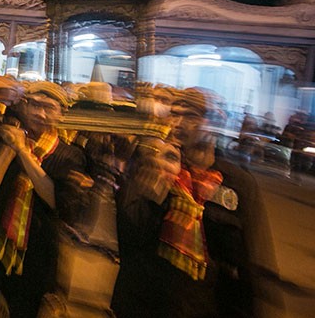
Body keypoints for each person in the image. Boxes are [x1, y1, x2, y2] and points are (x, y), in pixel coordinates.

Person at [111, 87, 281, 317]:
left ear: (211, 123)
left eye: (190, 116)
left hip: (210, 305)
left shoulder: (236, 182)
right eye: (175, 114)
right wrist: (152, 198)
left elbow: (252, 257)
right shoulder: (154, 166)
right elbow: (128, 241)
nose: (179, 123)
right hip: (151, 302)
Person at [0, 81, 87, 318]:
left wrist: (23, 152)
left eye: (49, 108)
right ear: (24, 107)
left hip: (36, 263)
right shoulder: (7, 141)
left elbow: (55, 201)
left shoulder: (69, 156)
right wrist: (10, 149)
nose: (41, 114)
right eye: (35, 105)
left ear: (61, 114)